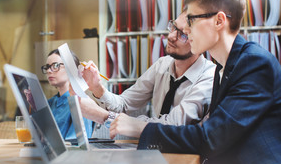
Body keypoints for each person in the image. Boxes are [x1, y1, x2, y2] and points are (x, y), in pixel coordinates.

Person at [137, 0, 281, 164]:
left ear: (219, 21)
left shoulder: (255, 63)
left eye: (192, 20)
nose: (185, 28)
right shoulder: (222, 68)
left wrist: (140, 130)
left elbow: (211, 139)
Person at [81, 11, 215, 139]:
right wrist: (97, 88)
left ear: (201, 43)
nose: (171, 36)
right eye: (173, 27)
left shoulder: (209, 76)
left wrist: (104, 116)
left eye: (183, 35)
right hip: (154, 149)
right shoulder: (162, 65)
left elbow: (173, 125)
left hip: (187, 158)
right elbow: (125, 104)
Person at [42, 49, 94, 140]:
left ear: (71, 69)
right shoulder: (49, 103)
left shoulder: (82, 103)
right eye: (47, 67)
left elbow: (77, 145)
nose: (49, 71)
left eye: (55, 65)